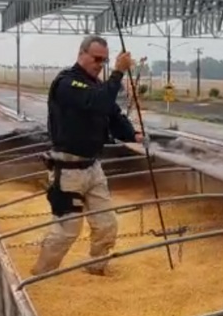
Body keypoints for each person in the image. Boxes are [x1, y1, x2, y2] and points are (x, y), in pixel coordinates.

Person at [31, 35, 142, 277]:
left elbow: (113, 115)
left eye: (104, 60)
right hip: (67, 170)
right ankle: (41, 275)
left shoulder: (97, 87)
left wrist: (133, 135)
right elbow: (97, 103)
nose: (99, 64)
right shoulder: (67, 84)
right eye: (96, 59)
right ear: (81, 54)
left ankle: (96, 268)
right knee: (67, 231)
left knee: (107, 225)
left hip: (93, 168)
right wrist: (118, 73)